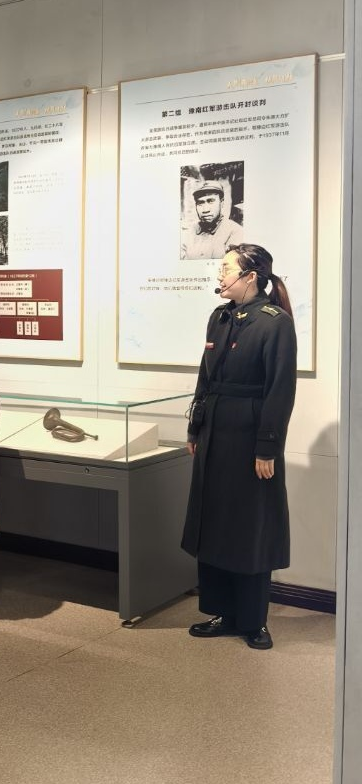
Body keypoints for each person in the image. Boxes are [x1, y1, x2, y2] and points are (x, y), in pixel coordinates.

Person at [183, 243, 296, 650]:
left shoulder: (275, 323)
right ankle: (222, 613)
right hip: (215, 434)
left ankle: (252, 621)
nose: (220, 274)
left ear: (250, 276)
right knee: (214, 524)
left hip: (250, 439)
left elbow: (280, 390)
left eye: (226, 267)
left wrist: (267, 448)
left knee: (250, 530)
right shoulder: (220, 317)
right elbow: (205, 377)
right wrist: (196, 428)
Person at [180, 180, 244, 260]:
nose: (205, 210)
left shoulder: (235, 232)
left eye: (211, 201)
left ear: (221, 203)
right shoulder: (190, 232)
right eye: (200, 203)